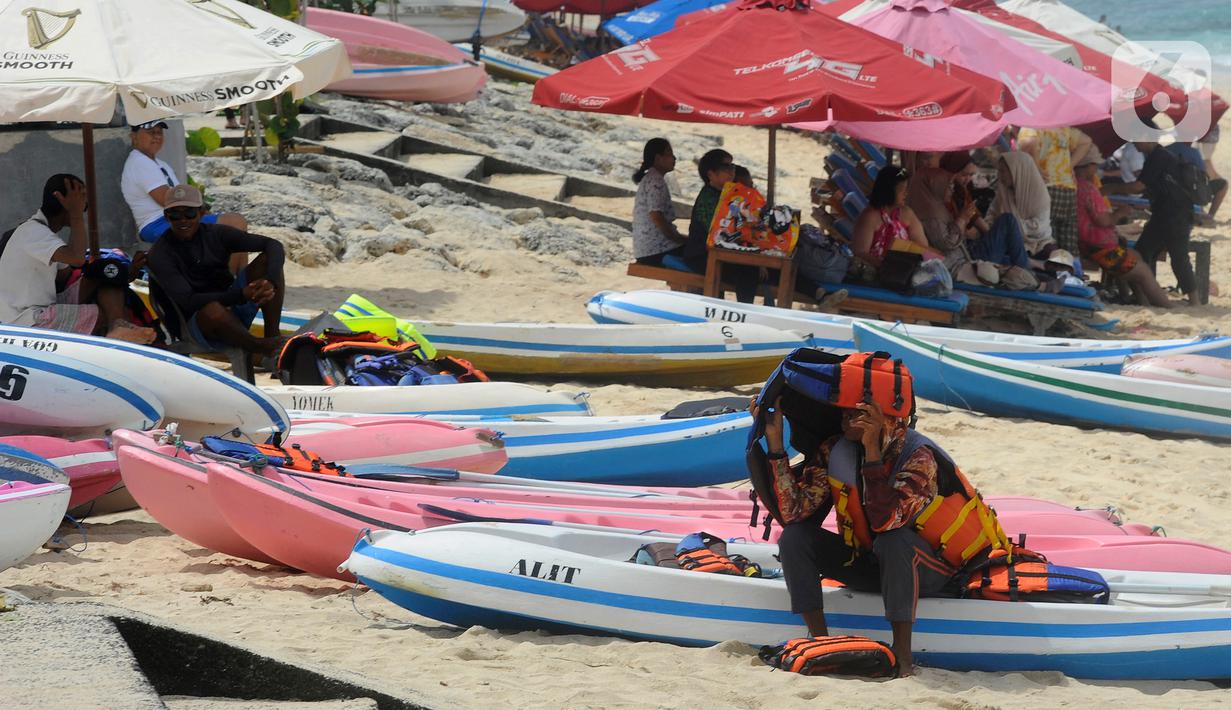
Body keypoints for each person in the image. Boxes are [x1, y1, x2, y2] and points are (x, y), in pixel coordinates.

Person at [749, 354, 1009, 677]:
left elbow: (885, 521)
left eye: (855, 412)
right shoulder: (835, 450)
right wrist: (776, 447)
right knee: (795, 538)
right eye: (844, 409)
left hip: (930, 574)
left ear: (881, 416)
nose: (843, 417)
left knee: (893, 540)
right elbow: (794, 512)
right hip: (871, 563)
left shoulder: (919, 458)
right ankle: (820, 642)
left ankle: (903, 655)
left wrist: (872, 452)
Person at [0, 174, 155, 343]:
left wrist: (113, 275)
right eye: (81, 200)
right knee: (100, 315)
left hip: (42, 306)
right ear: (62, 200)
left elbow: (65, 276)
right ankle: (114, 328)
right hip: (25, 319)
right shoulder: (32, 232)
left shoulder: (46, 236)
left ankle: (118, 325)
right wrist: (76, 214)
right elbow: (77, 258)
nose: (84, 206)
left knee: (107, 270)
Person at [146, 185, 286, 355]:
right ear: (166, 217)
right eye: (175, 215)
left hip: (232, 303)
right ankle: (259, 346)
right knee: (213, 309)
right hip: (194, 323)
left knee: (267, 260)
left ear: (202, 213)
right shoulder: (160, 253)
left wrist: (270, 281)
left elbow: (273, 245)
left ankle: (272, 336)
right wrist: (242, 295)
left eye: (189, 213)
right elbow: (189, 301)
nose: (183, 220)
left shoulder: (216, 234)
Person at [1074, 152, 1175, 307]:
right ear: (1089, 167)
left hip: (1088, 244)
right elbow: (1103, 220)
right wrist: (1120, 213)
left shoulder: (1074, 185)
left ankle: (1142, 302)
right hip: (1099, 247)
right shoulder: (1087, 188)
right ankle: (1167, 307)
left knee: (1135, 257)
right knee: (1144, 273)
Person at [121, 121, 247, 243]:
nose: (156, 136)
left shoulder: (158, 163)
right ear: (134, 137)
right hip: (158, 223)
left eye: (159, 132)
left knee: (234, 225)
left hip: (176, 218)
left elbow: (180, 200)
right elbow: (169, 201)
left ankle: (233, 265)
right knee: (234, 223)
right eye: (150, 132)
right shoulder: (139, 162)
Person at [1105, 139, 1198, 303]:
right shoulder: (1157, 155)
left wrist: (1111, 188)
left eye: (1136, 139)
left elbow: (1138, 186)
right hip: (1168, 213)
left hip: (1173, 214)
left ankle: (1191, 300)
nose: (1133, 144)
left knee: (1172, 255)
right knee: (1147, 251)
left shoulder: (1158, 156)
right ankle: (1150, 295)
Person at [909, 167, 1029, 271]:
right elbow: (947, 243)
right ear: (936, 187)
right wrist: (962, 219)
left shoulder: (938, 208)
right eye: (948, 185)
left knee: (1011, 259)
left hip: (968, 255)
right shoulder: (929, 214)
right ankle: (1026, 273)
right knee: (1007, 220)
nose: (952, 189)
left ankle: (1027, 271)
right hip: (962, 264)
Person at [1018, 127, 1093, 255]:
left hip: (1045, 186)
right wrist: (1069, 166)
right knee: (1068, 234)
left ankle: (1051, 269)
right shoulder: (1061, 127)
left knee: (1046, 236)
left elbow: (1029, 142)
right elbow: (1086, 141)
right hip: (1067, 189)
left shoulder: (1030, 125)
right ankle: (1072, 269)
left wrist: (1036, 167)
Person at [849, 167, 932, 272]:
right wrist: (887, 267)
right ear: (889, 190)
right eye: (902, 189)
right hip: (874, 273)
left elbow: (923, 247)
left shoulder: (907, 213)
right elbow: (860, 252)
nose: (906, 193)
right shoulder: (870, 217)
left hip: (905, 272)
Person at [988, 152, 1056, 265]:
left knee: (1055, 259)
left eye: (1003, 171)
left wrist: (1010, 226)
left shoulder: (1040, 194)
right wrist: (989, 225)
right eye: (999, 171)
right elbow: (992, 213)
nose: (1000, 176)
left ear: (1018, 171)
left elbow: (1039, 228)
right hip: (1011, 243)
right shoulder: (1004, 192)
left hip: (1039, 243)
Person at [630, 139, 686, 266]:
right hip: (655, 251)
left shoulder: (651, 177)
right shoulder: (656, 181)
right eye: (669, 153)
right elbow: (656, 216)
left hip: (645, 250)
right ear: (658, 158)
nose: (674, 158)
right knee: (699, 253)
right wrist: (677, 238)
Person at [1197, 125, 1227, 221]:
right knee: (1223, 184)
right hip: (1192, 193)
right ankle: (1209, 216)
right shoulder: (1201, 157)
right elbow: (1211, 176)